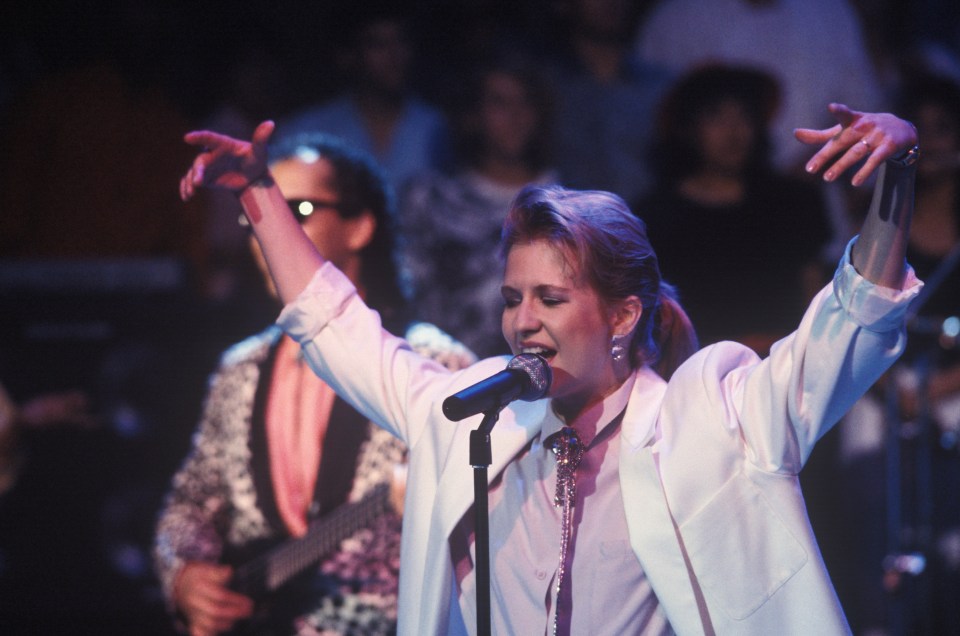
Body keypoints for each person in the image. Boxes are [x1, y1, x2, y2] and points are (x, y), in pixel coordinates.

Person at [178, 101, 920, 634]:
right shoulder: (472, 418)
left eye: (550, 298)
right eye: (512, 297)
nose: (521, 320)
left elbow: (849, 325)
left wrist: (898, 176)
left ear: (623, 314)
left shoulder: (717, 422)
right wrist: (257, 192)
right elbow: (333, 323)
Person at [154, 133, 475, 636]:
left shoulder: (434, 362)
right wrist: (185, 576)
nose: (269, 231)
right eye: (256, 212)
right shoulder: (239, 369)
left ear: (360, 227)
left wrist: (433, 503)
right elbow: (190, 504)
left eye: (295, 208)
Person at [636, 64, 832, 353]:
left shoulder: (793, 201)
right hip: (695, 372)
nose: (733, 130)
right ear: (688, 128)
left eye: (744, 116)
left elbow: (816, 299)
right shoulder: (655, 216)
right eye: (716, 115)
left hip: (786, 366)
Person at [399, 54, 559, 359]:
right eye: (499, 102)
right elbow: (405, 297)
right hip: (446, 376)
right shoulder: (431, 199)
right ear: (473, 114)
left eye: (525, 102)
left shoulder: (570, 205)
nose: (515, 115)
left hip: (546, 381)